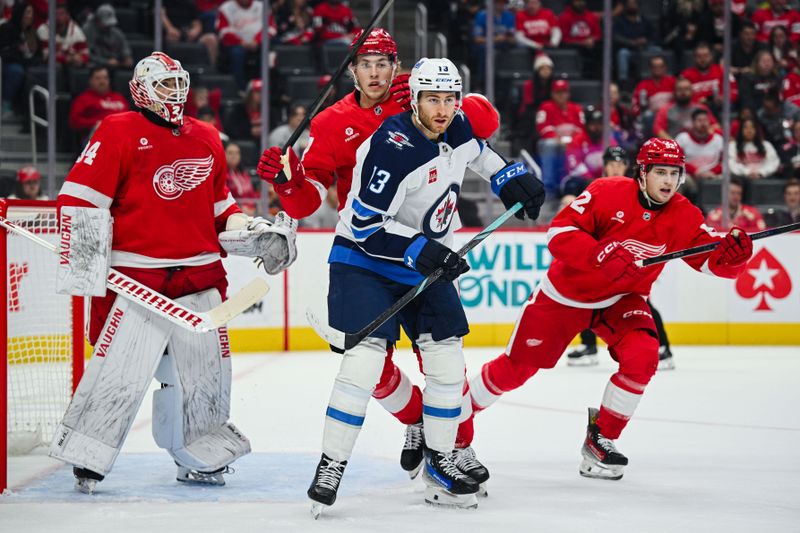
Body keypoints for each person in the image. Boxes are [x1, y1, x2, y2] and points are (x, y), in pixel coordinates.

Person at [256, 29, 502, 491]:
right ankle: (416, 425)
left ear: (397, 67)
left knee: (447, 362)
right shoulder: (331, 123)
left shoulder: (421, 94)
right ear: (352, 69)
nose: (376, 73)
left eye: (384, 63)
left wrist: (480, 117)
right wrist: (289, 182)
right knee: (369, 365)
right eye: (366, 64)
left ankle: (453, 447)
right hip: (372, 249)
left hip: (426, 253)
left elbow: (478, 129)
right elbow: (309, 200)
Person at [304, 57, 544, 514]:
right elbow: (364, 224)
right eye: (432, 98)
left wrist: (511, 178)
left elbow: (481, 153)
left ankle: (440, 457)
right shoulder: (391, 147)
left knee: (449, 365)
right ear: (414, 99)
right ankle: (331, 464)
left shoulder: (457, 127)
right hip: (363, 262)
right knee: (363, 366)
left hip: (422, 263)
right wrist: (421, 248)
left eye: (450, 98)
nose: (443, 108)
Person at [50, 51, 297, 494]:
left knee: (205, 376)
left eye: (179, 84)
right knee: (119, 374)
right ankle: (87, 455)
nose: (175, 94)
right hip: (137, 280)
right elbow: (82, 199)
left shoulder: (206, 136)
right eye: (165, 85)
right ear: (142, 88)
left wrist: (257, 234)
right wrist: (87, 270)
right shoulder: (117, 130)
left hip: (199, 278)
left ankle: (199, 454)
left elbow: (221, 210)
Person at [463, 138, 752, 482]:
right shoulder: (606, 192)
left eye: (674, 173)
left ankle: (602, 438)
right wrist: (598, 254)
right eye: (660, 172)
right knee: (515, 370)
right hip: (564, 297)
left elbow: (709, 259)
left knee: (644, 355)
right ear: (641, 173)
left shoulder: (684, 214)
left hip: (621, 300)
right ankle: (452, 423)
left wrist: (733, 259)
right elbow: (558, 233)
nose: (668, 181)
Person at [566, 146, 676, 370]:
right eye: (612, 163)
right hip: (601, 255)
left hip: (629, 258)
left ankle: (662, 347)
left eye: (620, 163)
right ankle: (589, 345)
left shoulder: (639, 192)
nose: (616, 167)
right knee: (586, 297)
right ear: (604, 166)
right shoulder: (596, 189)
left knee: (639, 301)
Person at [68, 65, 129, 145]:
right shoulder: (83, 99)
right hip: (96, 138)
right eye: (98, 78)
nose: (102, 81)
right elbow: (74, 121)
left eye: (105, 78)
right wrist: (98, 123)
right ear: (90, 81)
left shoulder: (119, 98)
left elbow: (129, 119)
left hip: (122, 135)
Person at [161, 0, 219, 67]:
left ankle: (210, 71)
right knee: (170, 37)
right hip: (171, 33)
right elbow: (160, 14)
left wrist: (194, 31)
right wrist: (170, 28)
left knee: (211, 39)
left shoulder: (189, 3)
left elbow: (197, 22)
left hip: (188, 34)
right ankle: (170, 69)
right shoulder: (162, 2)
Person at [36, 1, 89, 67]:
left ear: (67, 16)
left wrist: (79, 58)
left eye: (61, 14)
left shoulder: (76, 31)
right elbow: (46, 56)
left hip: (72, 65)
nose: (58, 17)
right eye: (55, 14)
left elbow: (86, 55)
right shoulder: (43, 29)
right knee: (57, 65)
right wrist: (66, 59)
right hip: (47, 66)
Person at [83, 4, 133, 69]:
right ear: (98, 20)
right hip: (95, 66)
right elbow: (87, 54)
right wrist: (106, 62)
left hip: (114, 66)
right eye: (106, 24)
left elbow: (124, 48)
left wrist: (127, 56)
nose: (109, 26)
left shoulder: (115, 32)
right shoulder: (88, 30)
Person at [225, 141, 258, 215]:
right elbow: (225, 199)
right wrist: (240, 209)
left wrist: (254, 209)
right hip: (233, 213)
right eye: (230, 153)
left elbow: (252, 196)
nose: (234, 156)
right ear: (224, 154)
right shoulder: (223, 175)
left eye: (237, 153)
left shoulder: (244, 174)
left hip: (251, 211)